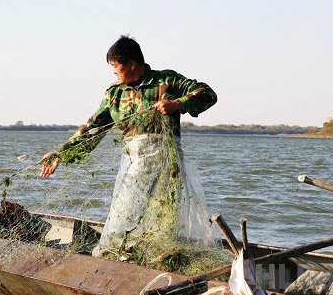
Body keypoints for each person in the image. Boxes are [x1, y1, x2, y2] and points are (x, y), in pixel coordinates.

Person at [39, 35, 218, 258]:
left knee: (162, 215)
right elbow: (94, 126)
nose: (113, 72)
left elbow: (208, 93)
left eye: (115, 66)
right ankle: (119, 255)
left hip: (166, 165)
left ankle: (154, 257)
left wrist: (176, 104)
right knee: (126, 210)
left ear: (132, 63)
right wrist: (63, 153)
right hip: (134, 164)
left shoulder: (167, 81)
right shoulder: (114, 93)